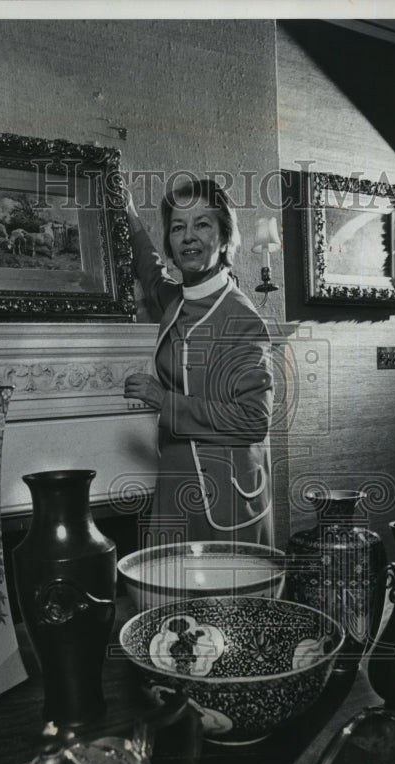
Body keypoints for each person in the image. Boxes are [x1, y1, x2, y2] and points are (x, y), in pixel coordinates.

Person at [124, 177, 274, 547]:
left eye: (202, 224)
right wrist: (125, 210)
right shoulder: (176, 299)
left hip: (226, 496)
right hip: (177, 486)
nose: (188, 236)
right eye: (178, 227)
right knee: (172, 596)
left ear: (225, 239)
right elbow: (150, 269)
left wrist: (165, 401)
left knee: (228, 603)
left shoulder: (241, 318)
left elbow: (255, 420)